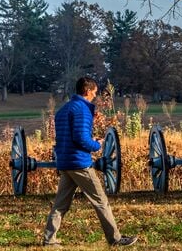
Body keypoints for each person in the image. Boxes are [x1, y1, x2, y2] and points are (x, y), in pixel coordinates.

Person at [43, 77, 137, 247]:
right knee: (101, 201)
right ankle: (115, 239)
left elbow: (69, 136)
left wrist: (89, 139)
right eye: (94, 92)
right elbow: (80, 138)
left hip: (65, 161)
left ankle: (49, 240)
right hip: (79, 163)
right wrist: (96, 145)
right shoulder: (82, 109)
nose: (95, 96)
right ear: (87, 91)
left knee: (60, 205)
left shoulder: (64, 110)